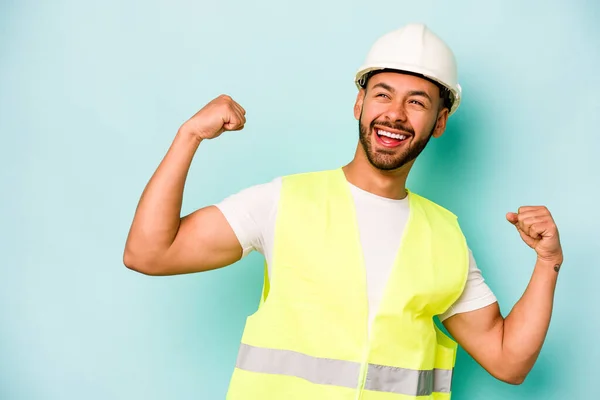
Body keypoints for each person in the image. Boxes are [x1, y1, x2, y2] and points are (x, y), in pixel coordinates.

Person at [123, 23, 563, 399]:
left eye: (417, 102)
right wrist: (188, 137)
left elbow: (508, 360)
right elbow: (148, 253)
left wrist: (547, 264)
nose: (394, 115)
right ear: (359, 103)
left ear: (440, 122)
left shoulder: (444, 236)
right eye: (383, 95)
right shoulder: (282, 201)